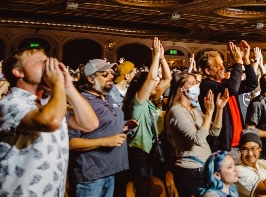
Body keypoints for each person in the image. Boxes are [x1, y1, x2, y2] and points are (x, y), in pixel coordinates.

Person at [0, 47, 98, 196]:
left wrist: (68, 87)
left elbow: (89, 124)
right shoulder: (10, 102)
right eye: (41, 62)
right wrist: (57, 84)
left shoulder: (49, 103)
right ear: (19, 72)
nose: (50, 66)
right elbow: (50, 122)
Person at [69, 59, 132, 197]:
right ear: (91, 79)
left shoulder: (107, 97)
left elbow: (102, 125)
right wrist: (105, 142)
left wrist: (122, 126)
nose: (111, 77)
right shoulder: (81, 102)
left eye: (111, 73)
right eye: (105, 74)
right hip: (92, 176)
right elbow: (70, 142)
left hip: (110, 170)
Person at [166, 72, 229, 197]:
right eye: (191, 83)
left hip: (204, 167)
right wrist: (209, 113)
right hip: (191, 171)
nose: (196, 86)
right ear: (181, 88)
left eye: (196, 83)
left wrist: (219, 109)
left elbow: (214, 131)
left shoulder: (194, 109)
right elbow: (198, 138)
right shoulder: (176, 111)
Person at [123, 37, 172, 189]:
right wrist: (155, 55)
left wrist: (163, 58)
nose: (157, 84)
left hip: (152, 152)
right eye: (154, 83)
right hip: (139, 154)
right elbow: (151, 78)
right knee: (144, 190)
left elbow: (167, 78)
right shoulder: (138, 104)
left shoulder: (151, 100)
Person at [198, 41, 259, 159]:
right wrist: (238, 62)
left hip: (239, 142)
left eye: (222, 64)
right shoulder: (207, 85)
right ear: (207, 71)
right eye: (217, 66)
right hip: (223, 146)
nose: (222, 67)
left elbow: (252, 84)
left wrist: (246, 61)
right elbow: (232, 88)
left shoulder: (224, 83)